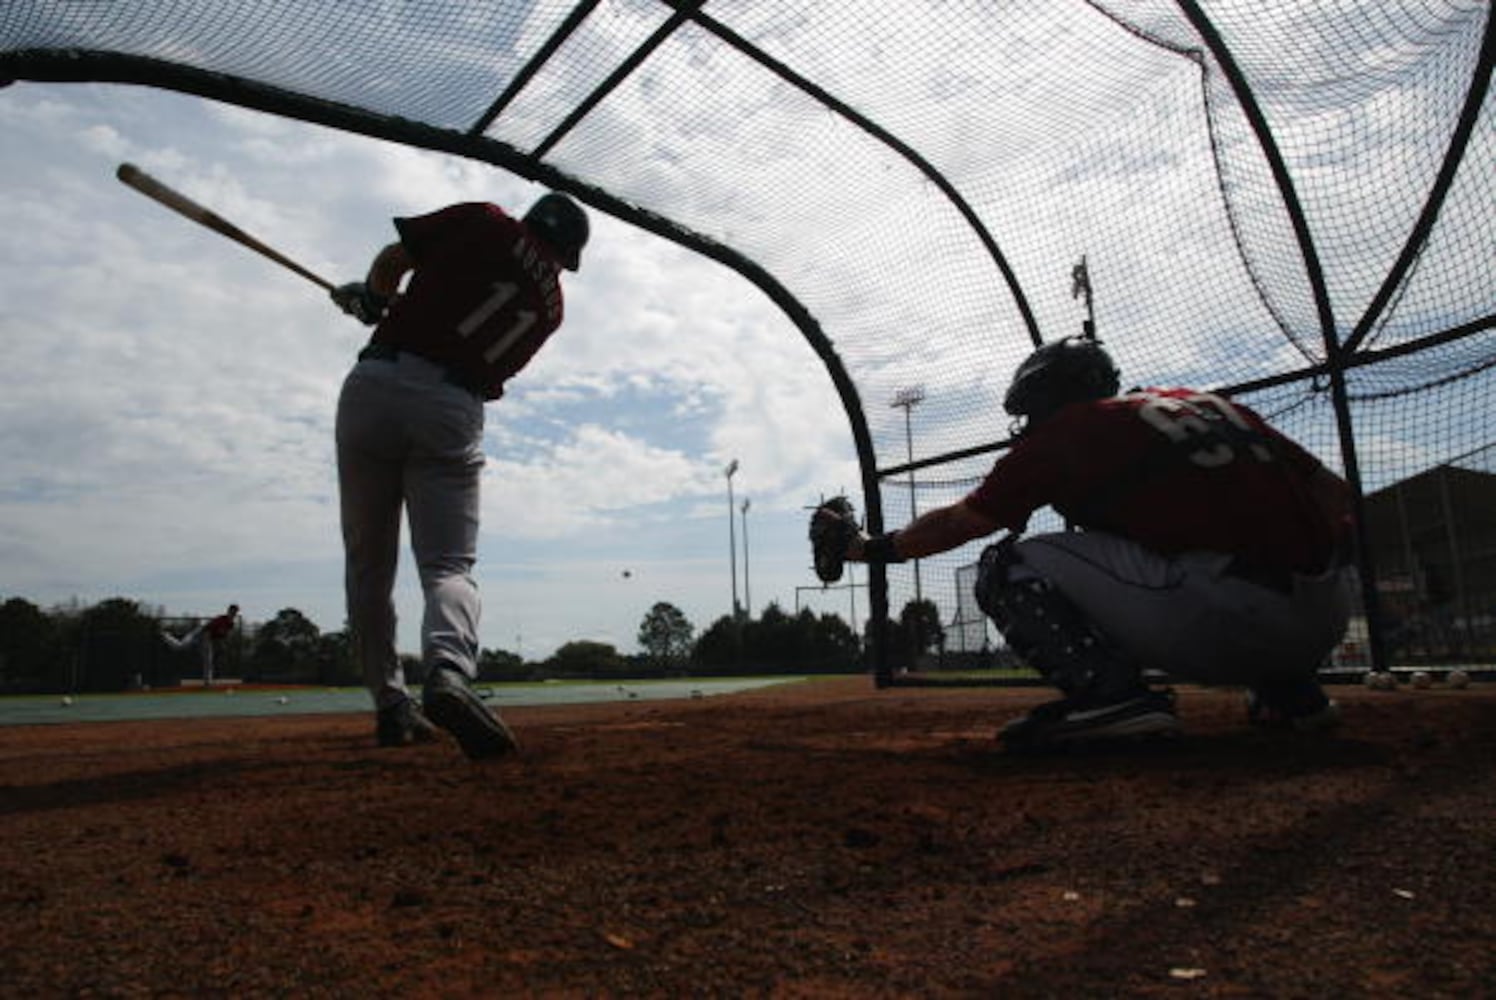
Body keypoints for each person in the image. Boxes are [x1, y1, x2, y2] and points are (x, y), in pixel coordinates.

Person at [838, 336, 1356, 752]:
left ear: (1046, 399)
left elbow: (961, 522)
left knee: (1004, 564)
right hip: (1326, 615)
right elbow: (1336, 497)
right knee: (1197, 542)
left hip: (1226, 620)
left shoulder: (1070, 430)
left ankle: (1111, 698)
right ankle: (1289, 692)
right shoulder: (1207, 405)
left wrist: (866, 549)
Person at [330, 191, 589, 756]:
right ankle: (448, 670)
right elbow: (485, 358)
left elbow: (393, 261)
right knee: (448, 566)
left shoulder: (486, 220)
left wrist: (374, 300)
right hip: (453, 404)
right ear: (565, 252)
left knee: (368, 565)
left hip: (373, 386)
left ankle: (392, 708)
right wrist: (386, 306)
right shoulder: (552, 307)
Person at [161, 603, 239, 687]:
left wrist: (221, 644)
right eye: (232, 611)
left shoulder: (231, 625)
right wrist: (206, 644)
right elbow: (208, 630)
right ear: (228, 611)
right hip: (200, 634)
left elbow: (222, 636)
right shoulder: (221, 619)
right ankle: (164, 635)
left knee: (208, 660)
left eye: (235, 612)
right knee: (180, 646)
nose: (233, 614)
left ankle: (207, 682)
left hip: (207, 639)